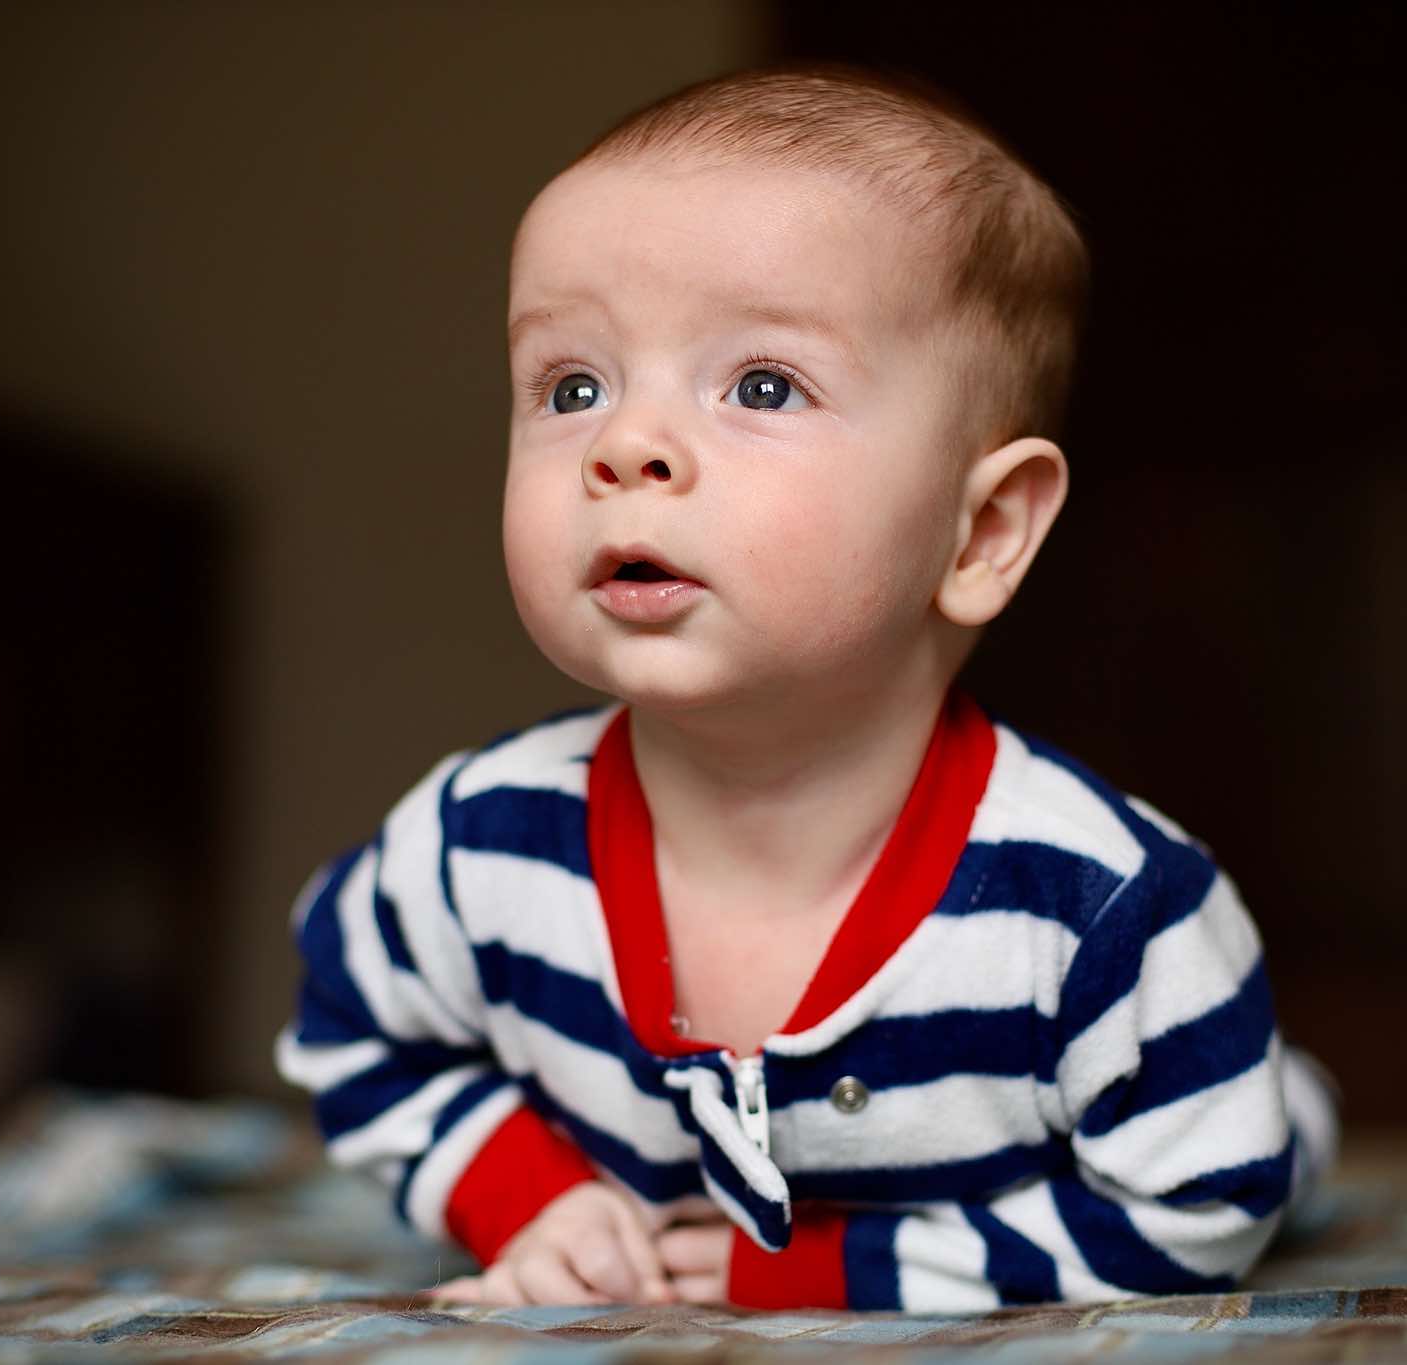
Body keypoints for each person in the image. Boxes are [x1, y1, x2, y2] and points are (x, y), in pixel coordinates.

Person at [276, 64, 1338, 1312]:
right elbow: (348, 1029)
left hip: (1140, 1113)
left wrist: (827, 1269)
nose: (624, 445)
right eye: (572, 388)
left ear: (981, 531)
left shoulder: (1101, 910)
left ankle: (1297, 1103)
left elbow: (1202, 1205)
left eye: (762, 386)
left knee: (1256, 1129)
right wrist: (526, 1199)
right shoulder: (474, 849)